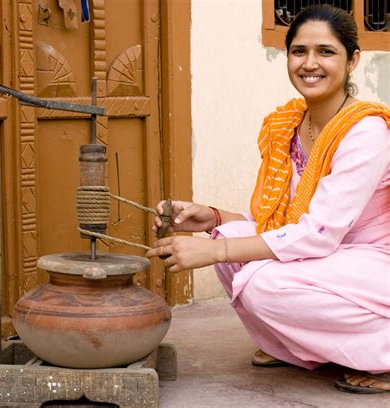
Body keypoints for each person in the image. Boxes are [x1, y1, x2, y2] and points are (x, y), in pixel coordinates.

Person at [146, 4, 389, 394]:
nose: (310, 63)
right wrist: (210, 219)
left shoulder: (365, 131)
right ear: (287, 56)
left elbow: (317, 234)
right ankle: (300, 346)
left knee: (261, 283)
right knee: (227, 238)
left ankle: (383, 353)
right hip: (330, 258)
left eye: (326, 52)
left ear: (353, 59)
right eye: (299, 51)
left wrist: (213, 254)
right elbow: (276, 222)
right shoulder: (289, 125)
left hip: (375, 262)